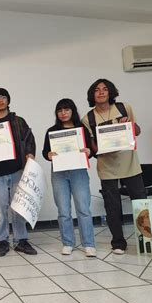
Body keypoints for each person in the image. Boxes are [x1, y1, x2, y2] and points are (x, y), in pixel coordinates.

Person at [81, 79, 145, 255]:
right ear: (92, 95)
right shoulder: (88, 118)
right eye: (97, 90)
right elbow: (93, 146)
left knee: (141, 203)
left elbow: (137, 131)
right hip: (106, 167)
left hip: (130, 164)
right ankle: (118, 243)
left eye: (105, 89)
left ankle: (148, 240)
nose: (101, 92)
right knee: (112, 206)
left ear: (111, 92)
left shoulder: (124, 108)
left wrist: (128, 125)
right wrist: (103, 145)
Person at [0, 88, 37, 257]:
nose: (1, 100)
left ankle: (21, 241)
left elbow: (29, 140)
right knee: (0, 210)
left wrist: (30, 154)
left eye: (4, 97)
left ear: (8, 100)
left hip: (17, 170)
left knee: (19, 208)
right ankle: (2, 241)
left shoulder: (18, 121)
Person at [42, 98, 96, 257]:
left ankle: (89, 244)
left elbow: (90, 151)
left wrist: (89, 152)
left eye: (66, 109)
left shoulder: (82, 129)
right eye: (60, 110)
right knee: (63, 210)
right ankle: (67, 243)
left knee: (83, 208)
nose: (63, 113)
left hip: (78, 171)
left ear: (73, 111)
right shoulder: (51, 131)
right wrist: (48, 155)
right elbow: (46, 152)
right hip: (59, 173)